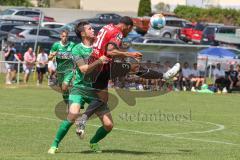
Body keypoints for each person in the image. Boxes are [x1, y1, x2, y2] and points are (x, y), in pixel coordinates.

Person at [75, 16, 180, 153]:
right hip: (103, 66)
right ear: (127, 27)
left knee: (103, 99)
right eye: (129, 31)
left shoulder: (107, 27)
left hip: (97, 66)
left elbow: (104, 47)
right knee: (134, 68)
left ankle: (83, 119)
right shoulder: (117, 33)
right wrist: (129, 54)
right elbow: (110, 51)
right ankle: (165, 76)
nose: (127, 34)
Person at [48, 21, 109, 154]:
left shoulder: (99, 47)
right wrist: (99, 60)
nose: (93, 30)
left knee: (108, 125)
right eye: (90, 29)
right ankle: (55, 145)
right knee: (73, 114)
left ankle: (93, 142)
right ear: (83, 33)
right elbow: (83, 69)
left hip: (95, 90)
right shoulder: (76, 48)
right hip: (79, 87)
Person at [48, 30, 75, 105]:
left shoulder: (72, 45)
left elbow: (77, 55)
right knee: (63, 90)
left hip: (69, 70)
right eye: (63, 36)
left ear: (68, 37)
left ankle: (73, 102)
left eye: (66, 36)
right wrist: (52, 55)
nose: (64, 38)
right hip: (59, 71)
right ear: (60, 36)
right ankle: (68, 103)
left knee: (65, 86)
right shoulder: (56, 45)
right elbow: (49, 58)